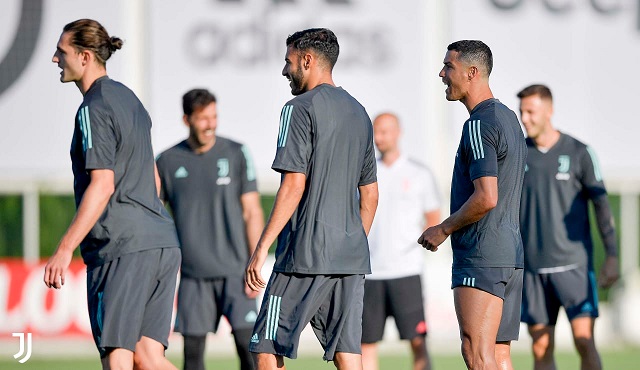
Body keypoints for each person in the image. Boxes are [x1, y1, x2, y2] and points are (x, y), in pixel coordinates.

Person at [44, 19, 181, 370]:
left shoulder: (92, 108)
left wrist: (64, 249)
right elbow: (154, 179)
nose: (55, 59)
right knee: (149, 358)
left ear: (85, 56)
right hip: (161, 242)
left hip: (123, 247)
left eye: (62, 52)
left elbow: (102, 184)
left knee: (117, 358)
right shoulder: (129, 99)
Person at [244, 28, 378, 370]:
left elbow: (292, 186)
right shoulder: (359, 112)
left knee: (264, 347)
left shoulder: (298, 108)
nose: (284, 70)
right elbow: (370, 195)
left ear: (307, 60)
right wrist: (348, 243)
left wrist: (261, 250)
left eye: (288, 62)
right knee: (348, 352)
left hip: (303, 255)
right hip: (350, 257)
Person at [417, 40, 527, 370]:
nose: (442, 74)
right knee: (498, 354)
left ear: (472, 72)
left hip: (482, 256)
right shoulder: (509, 118)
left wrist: (443, 228)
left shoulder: (479, 123)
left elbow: (487, 196)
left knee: (476, 352)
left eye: (448, 67)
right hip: (510, 257)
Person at [156, 88, 265, 370]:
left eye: (214, 117)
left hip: (236, 273)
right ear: (186, 119)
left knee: (249, 351)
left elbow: (252, 211)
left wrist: (255, 260)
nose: (210, 124)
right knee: (192, 358)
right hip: (193, 278)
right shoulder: (167, 161)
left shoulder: (236, 152)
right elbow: (153, 217)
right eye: (203, 118)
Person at [516, 84, 620, 370]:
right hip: (533, 269)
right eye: (521, 111)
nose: (525, 118)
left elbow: (601, 206)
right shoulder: (517, 155)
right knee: (540, 347)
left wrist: (612, 256)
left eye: (531, 111)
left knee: (584, 341)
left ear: (549, 111)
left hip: (573, 266)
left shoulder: (579, 152)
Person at [362, 112, 440, 370]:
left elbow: (433, 219)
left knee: (417, 341)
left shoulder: (418, 173)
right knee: (365, 344)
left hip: (406, 270)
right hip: (370, 272)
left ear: (398, 133)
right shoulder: (365, 172)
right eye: (376, 131)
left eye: (384, 131)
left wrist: (418, 245)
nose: (379, 137)